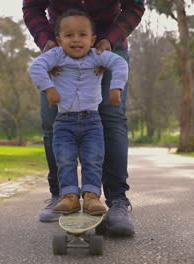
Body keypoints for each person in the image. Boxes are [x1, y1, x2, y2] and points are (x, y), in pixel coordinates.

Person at [23, 0, 145, 236]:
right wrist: (47, 40)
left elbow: (134, 7)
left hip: (108, 42)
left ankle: (117, 202)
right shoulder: (57, 45)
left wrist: (109, 39)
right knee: (52, 120)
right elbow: (32, 7)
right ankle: (61, 194)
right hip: (59, 44)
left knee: (111, 118)